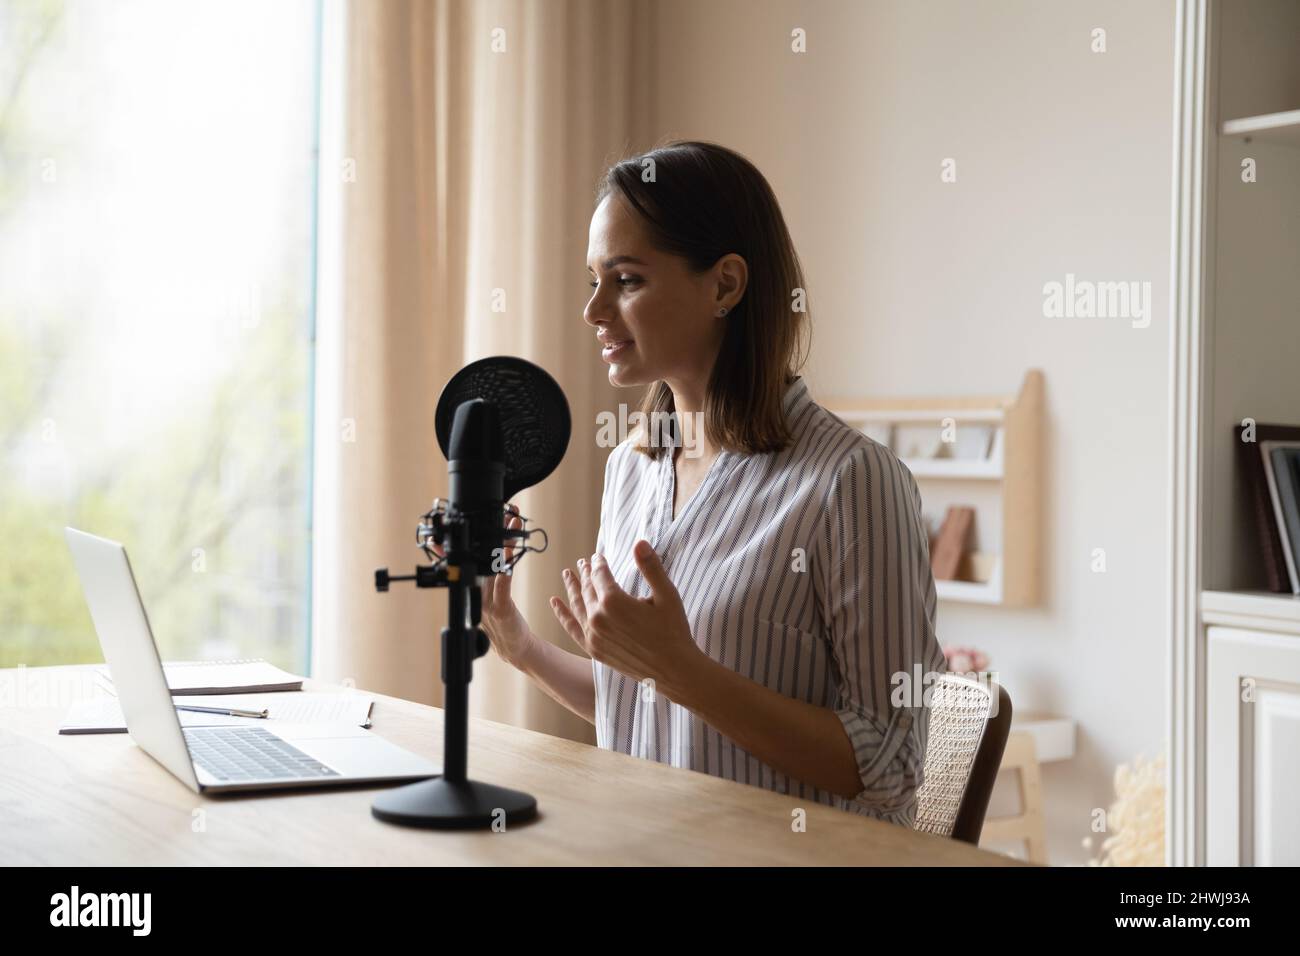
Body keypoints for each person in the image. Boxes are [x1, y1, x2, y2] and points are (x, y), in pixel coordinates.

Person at [481, 141, 943, 825]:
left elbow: (891, 763)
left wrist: (682, 670)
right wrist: (519, 645)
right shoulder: (631, 469)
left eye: (627, 280)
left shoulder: (851, 483)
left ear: (725, 285)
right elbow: (642, 706)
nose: (594, 311)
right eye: (593, 281)